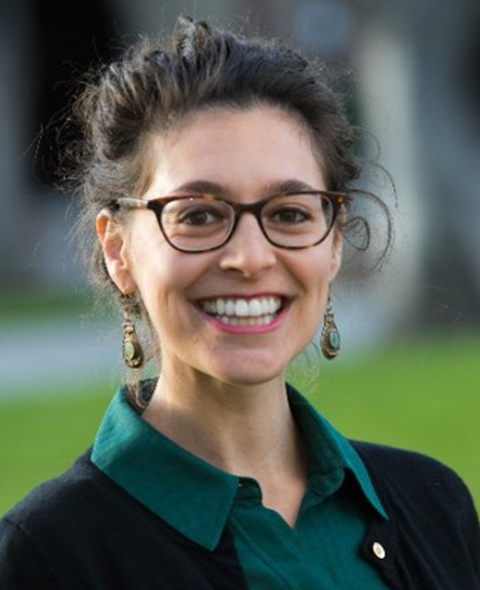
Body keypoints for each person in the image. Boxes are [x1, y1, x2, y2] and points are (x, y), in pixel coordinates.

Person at [0, 16, 479, 590]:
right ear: (118, 250)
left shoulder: (434, 505)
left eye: (289, 214)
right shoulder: (50, 558)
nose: (250, 258)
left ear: (332, 242)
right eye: (198, 216)